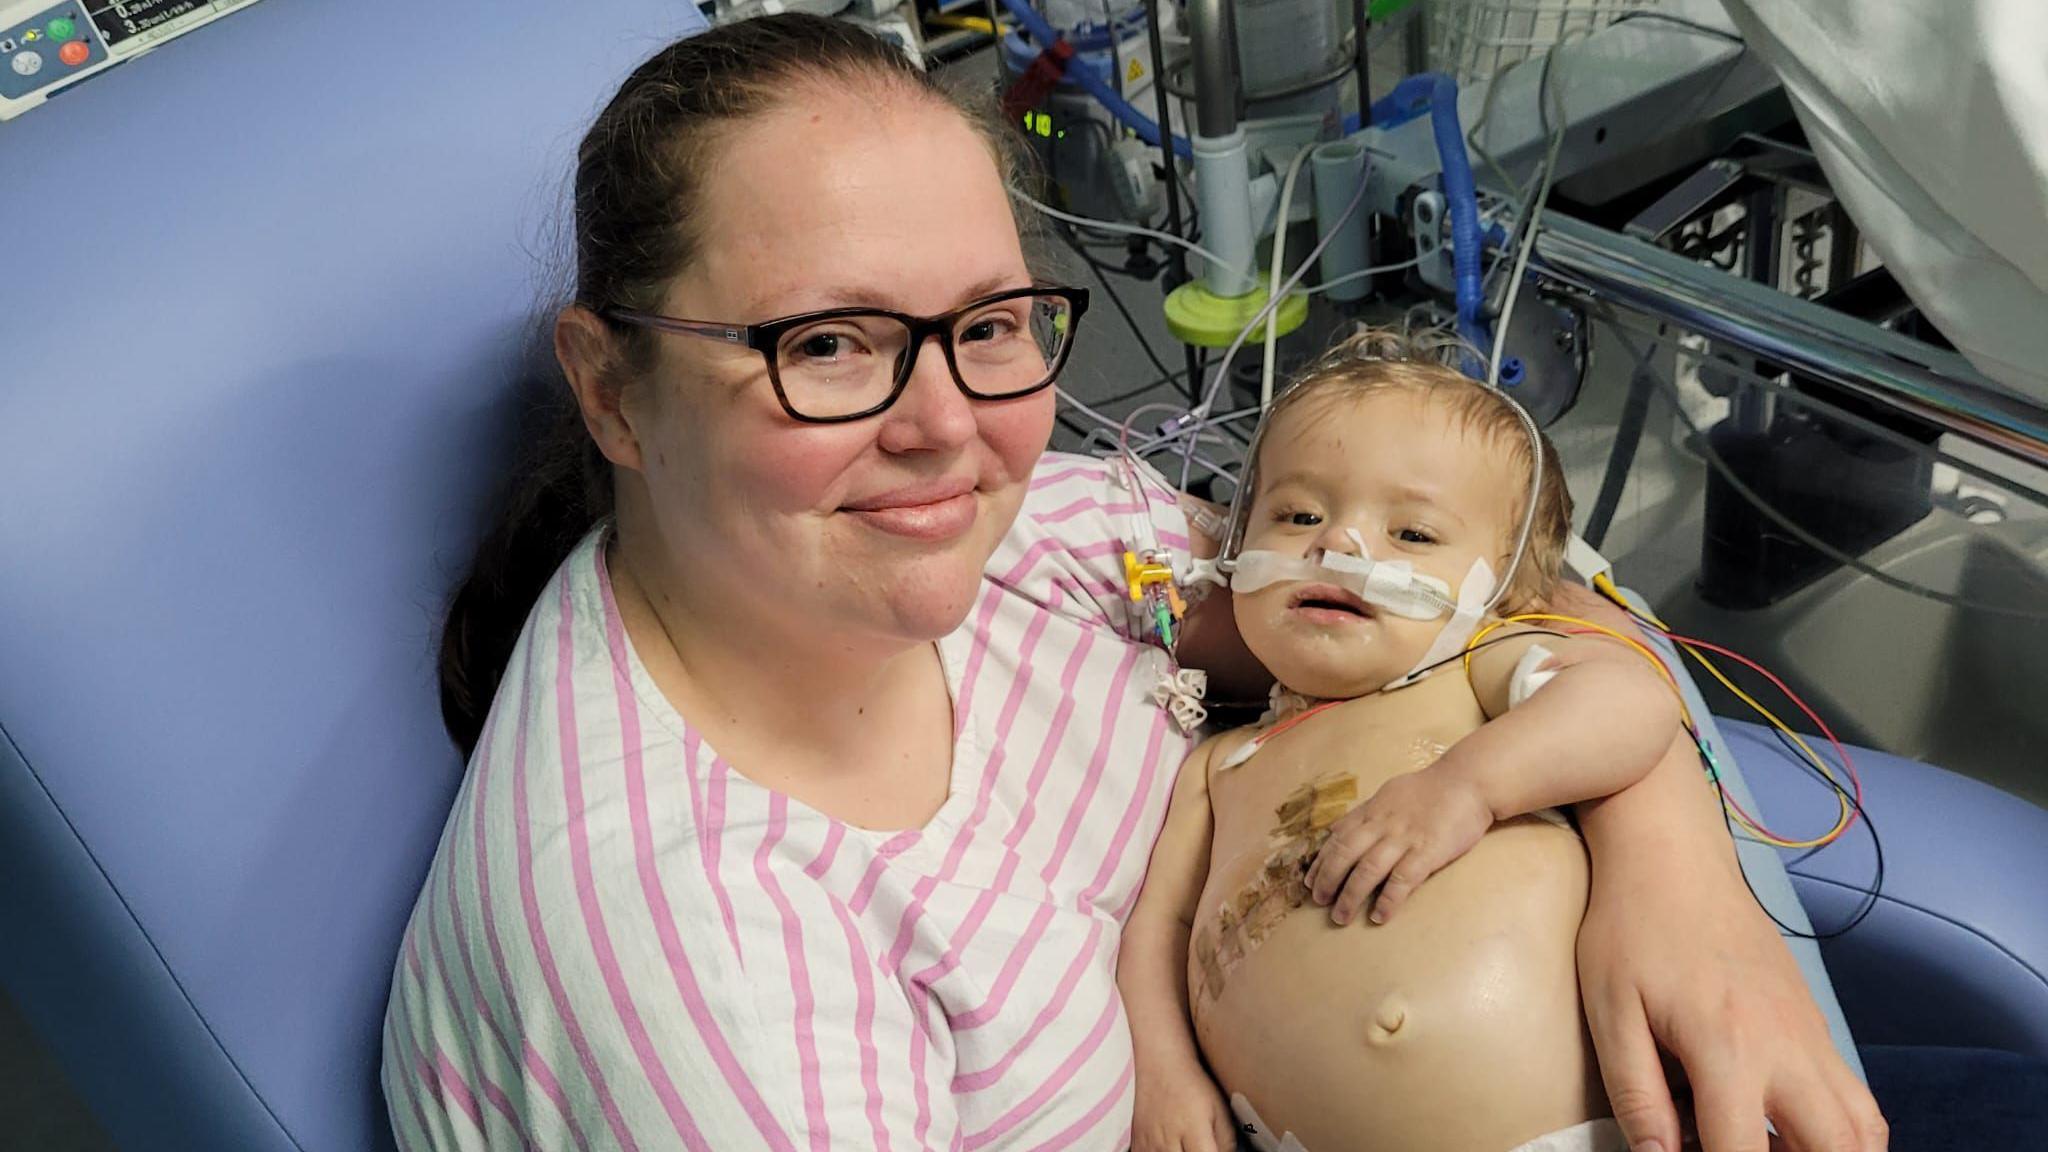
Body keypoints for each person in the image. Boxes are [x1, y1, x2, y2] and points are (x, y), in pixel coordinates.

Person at [382, 13, 1883, 1152]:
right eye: (825, 342)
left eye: (990, 323)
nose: (947, 430)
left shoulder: (1033, 540)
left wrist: (1676, 869)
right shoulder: (700, 966)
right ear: (614, 390)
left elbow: (1494, 594)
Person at [1121, 333, 1691, 1152]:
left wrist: (1469, 786)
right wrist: (1165, 1070)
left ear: (1505, 592)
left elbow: (1630, 703)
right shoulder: (1217, 766)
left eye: (1414, 535)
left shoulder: (1472, 670)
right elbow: (1159, 930)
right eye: (1299, 515)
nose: (1341, 545)